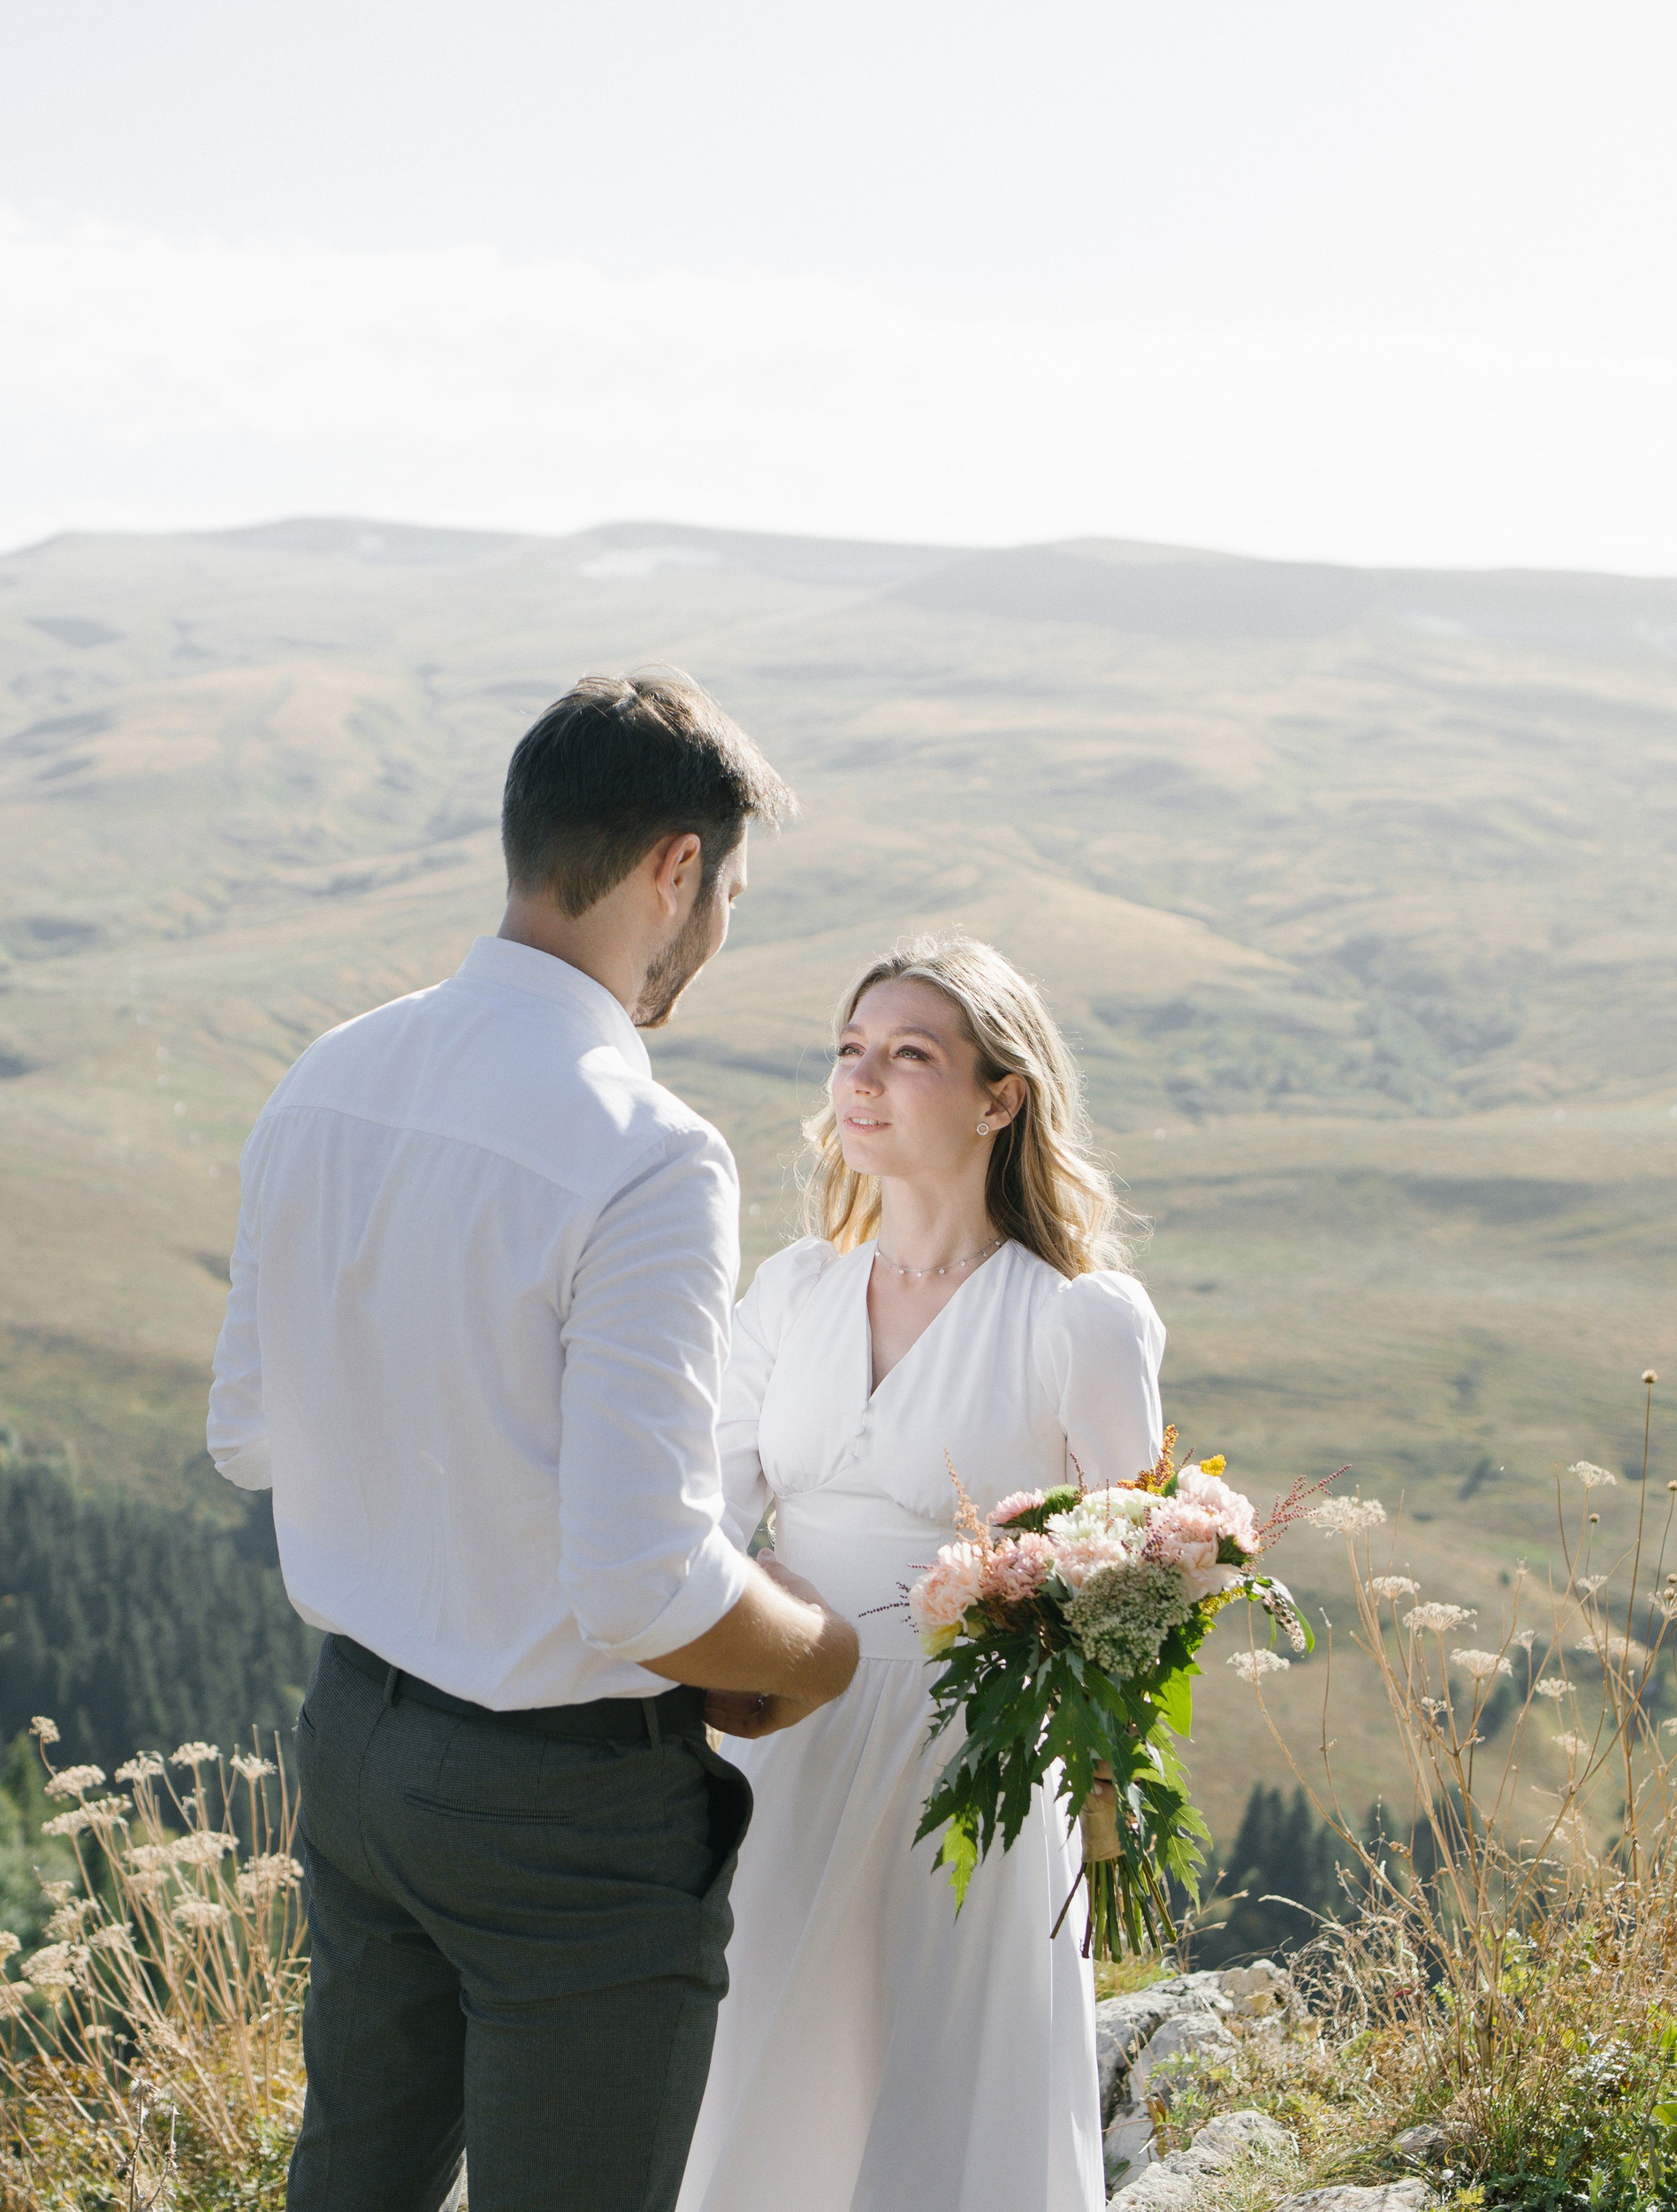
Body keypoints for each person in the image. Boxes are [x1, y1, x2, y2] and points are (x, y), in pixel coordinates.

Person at [207, 670, 860, 2212]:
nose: (717, 935)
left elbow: (249, 1436)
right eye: (730, 893)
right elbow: (641, 1580)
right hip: (563, 1812)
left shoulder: (328, 1076)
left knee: (350, 2188)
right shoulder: (648, 1156)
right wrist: (816, 1651)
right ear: (674, 871)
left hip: (358, 1742)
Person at [677, 934, 1166, 2212]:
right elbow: (706, 1514)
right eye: (850, 1051)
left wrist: (1085, 1751)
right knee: (759, 2063)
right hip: (778, 1730)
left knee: (948, 2085)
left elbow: (1150, 1581)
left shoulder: (1079, 1316)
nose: (863, 1082)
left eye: (909, 1055)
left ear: (1001, 1097)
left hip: (978, 1755)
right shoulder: (791, 1292)